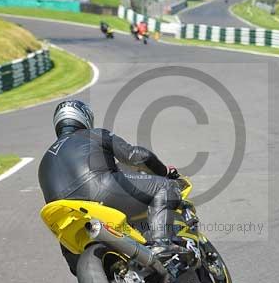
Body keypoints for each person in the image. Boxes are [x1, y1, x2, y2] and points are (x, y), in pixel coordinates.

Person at [38, 100, 182, 272]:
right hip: (102, 190)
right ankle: (162, 244)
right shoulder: (94, 134)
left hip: (69, 219)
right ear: (84, 118)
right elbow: (137, 156)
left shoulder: (43, 163)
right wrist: (164, 170)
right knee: (166, 187)